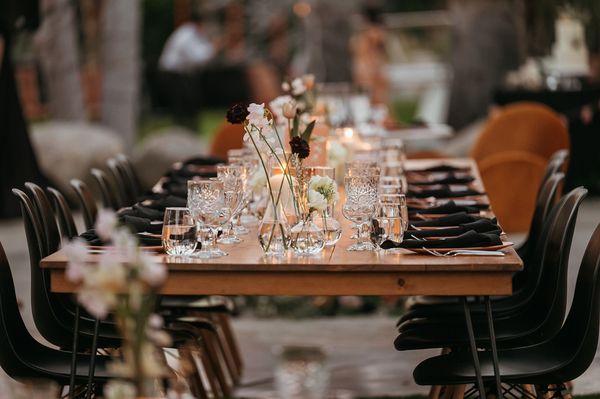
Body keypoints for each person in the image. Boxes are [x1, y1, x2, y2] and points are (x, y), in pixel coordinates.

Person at [158, 12, 217, 127]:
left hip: (180, 74)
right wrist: (214, 48)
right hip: (173, 74)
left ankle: (187, 126)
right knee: (182, 104)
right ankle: (183, 126)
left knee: (189, 102)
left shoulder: (192, 34)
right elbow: (197, 57)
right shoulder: (186, 35)